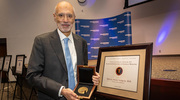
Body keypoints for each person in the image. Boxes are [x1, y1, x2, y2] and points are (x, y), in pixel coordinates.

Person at [26, 1, 100, 100]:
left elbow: (83, 73)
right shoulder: (42, 41)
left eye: (69, 16)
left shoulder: (81, 42)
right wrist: (61, 90)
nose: (65, 20)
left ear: (74, 18)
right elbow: (32, 76)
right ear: (54, 16)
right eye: (61, 15)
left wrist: (92, 78)